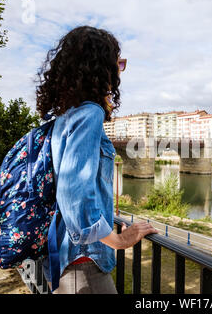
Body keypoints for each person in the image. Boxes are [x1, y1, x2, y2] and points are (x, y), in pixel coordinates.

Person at [35, 25, 158, 294]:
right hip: (84, 263)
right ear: (101, 68)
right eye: (118, 63)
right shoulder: (90, 113)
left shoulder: (65, 116)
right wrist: (117, 239)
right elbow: (74, 191)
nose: (119, 72)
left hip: (63, 257)